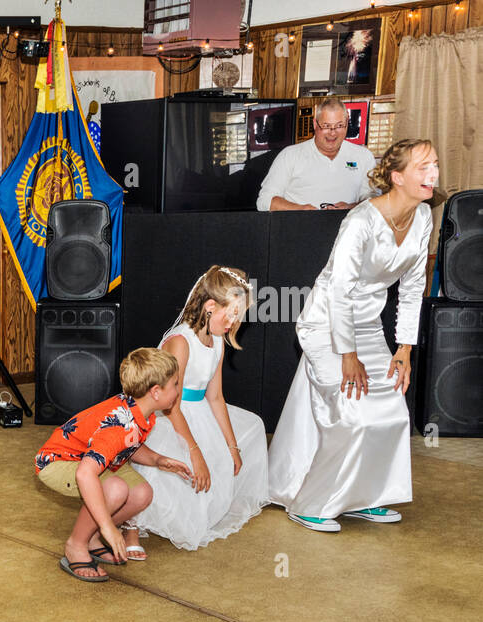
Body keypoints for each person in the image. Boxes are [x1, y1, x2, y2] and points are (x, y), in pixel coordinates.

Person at [268, 139, 438, 531]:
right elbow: (340, 290)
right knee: (350, 414)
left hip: (368, 325)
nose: (433, 173)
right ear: (397, 177)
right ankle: (310, 502)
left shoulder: (424, 216)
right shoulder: (360, 221)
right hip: (326, 325)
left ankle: (366, 496)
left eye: (435, 165)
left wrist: (405, 348)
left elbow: (413, 287)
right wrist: (347, 354)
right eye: (424, 166)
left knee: (392, 411)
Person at [129, 266, 270, 552]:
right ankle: (132, 525)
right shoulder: (181, 342)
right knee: (188, 467)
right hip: (170, 416)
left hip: (199, 410)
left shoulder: (216, 339)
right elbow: (171, 407)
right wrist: (196, 452)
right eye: (230, 314)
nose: (233, 322)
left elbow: (216, 397)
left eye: (237, 316)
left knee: (252, 426)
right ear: (209, 307)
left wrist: (232, 447)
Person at [35, 348, 191, 582]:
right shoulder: (119, 425)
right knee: (116, 489)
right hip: (58, 462)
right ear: (156, 392)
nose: (178, 390)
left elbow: (131, 444)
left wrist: (158, 460)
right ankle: (76, 545)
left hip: (90, 460)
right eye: (176, 384)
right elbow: (85, 474)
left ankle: (91, 537)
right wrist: (109, 527)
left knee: (142, 494)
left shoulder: (142, 412)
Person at [257, 97, 375, 212]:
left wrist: (351, 207)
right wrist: (301, 210)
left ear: (347, 124)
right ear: (315, 124)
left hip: (348, 229)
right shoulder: (289, 156)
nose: (332, 133)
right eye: (326, 126)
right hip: (299, 228)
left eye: (339, 126)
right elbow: (264, 201)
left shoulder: (364, 157)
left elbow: (375, 200)